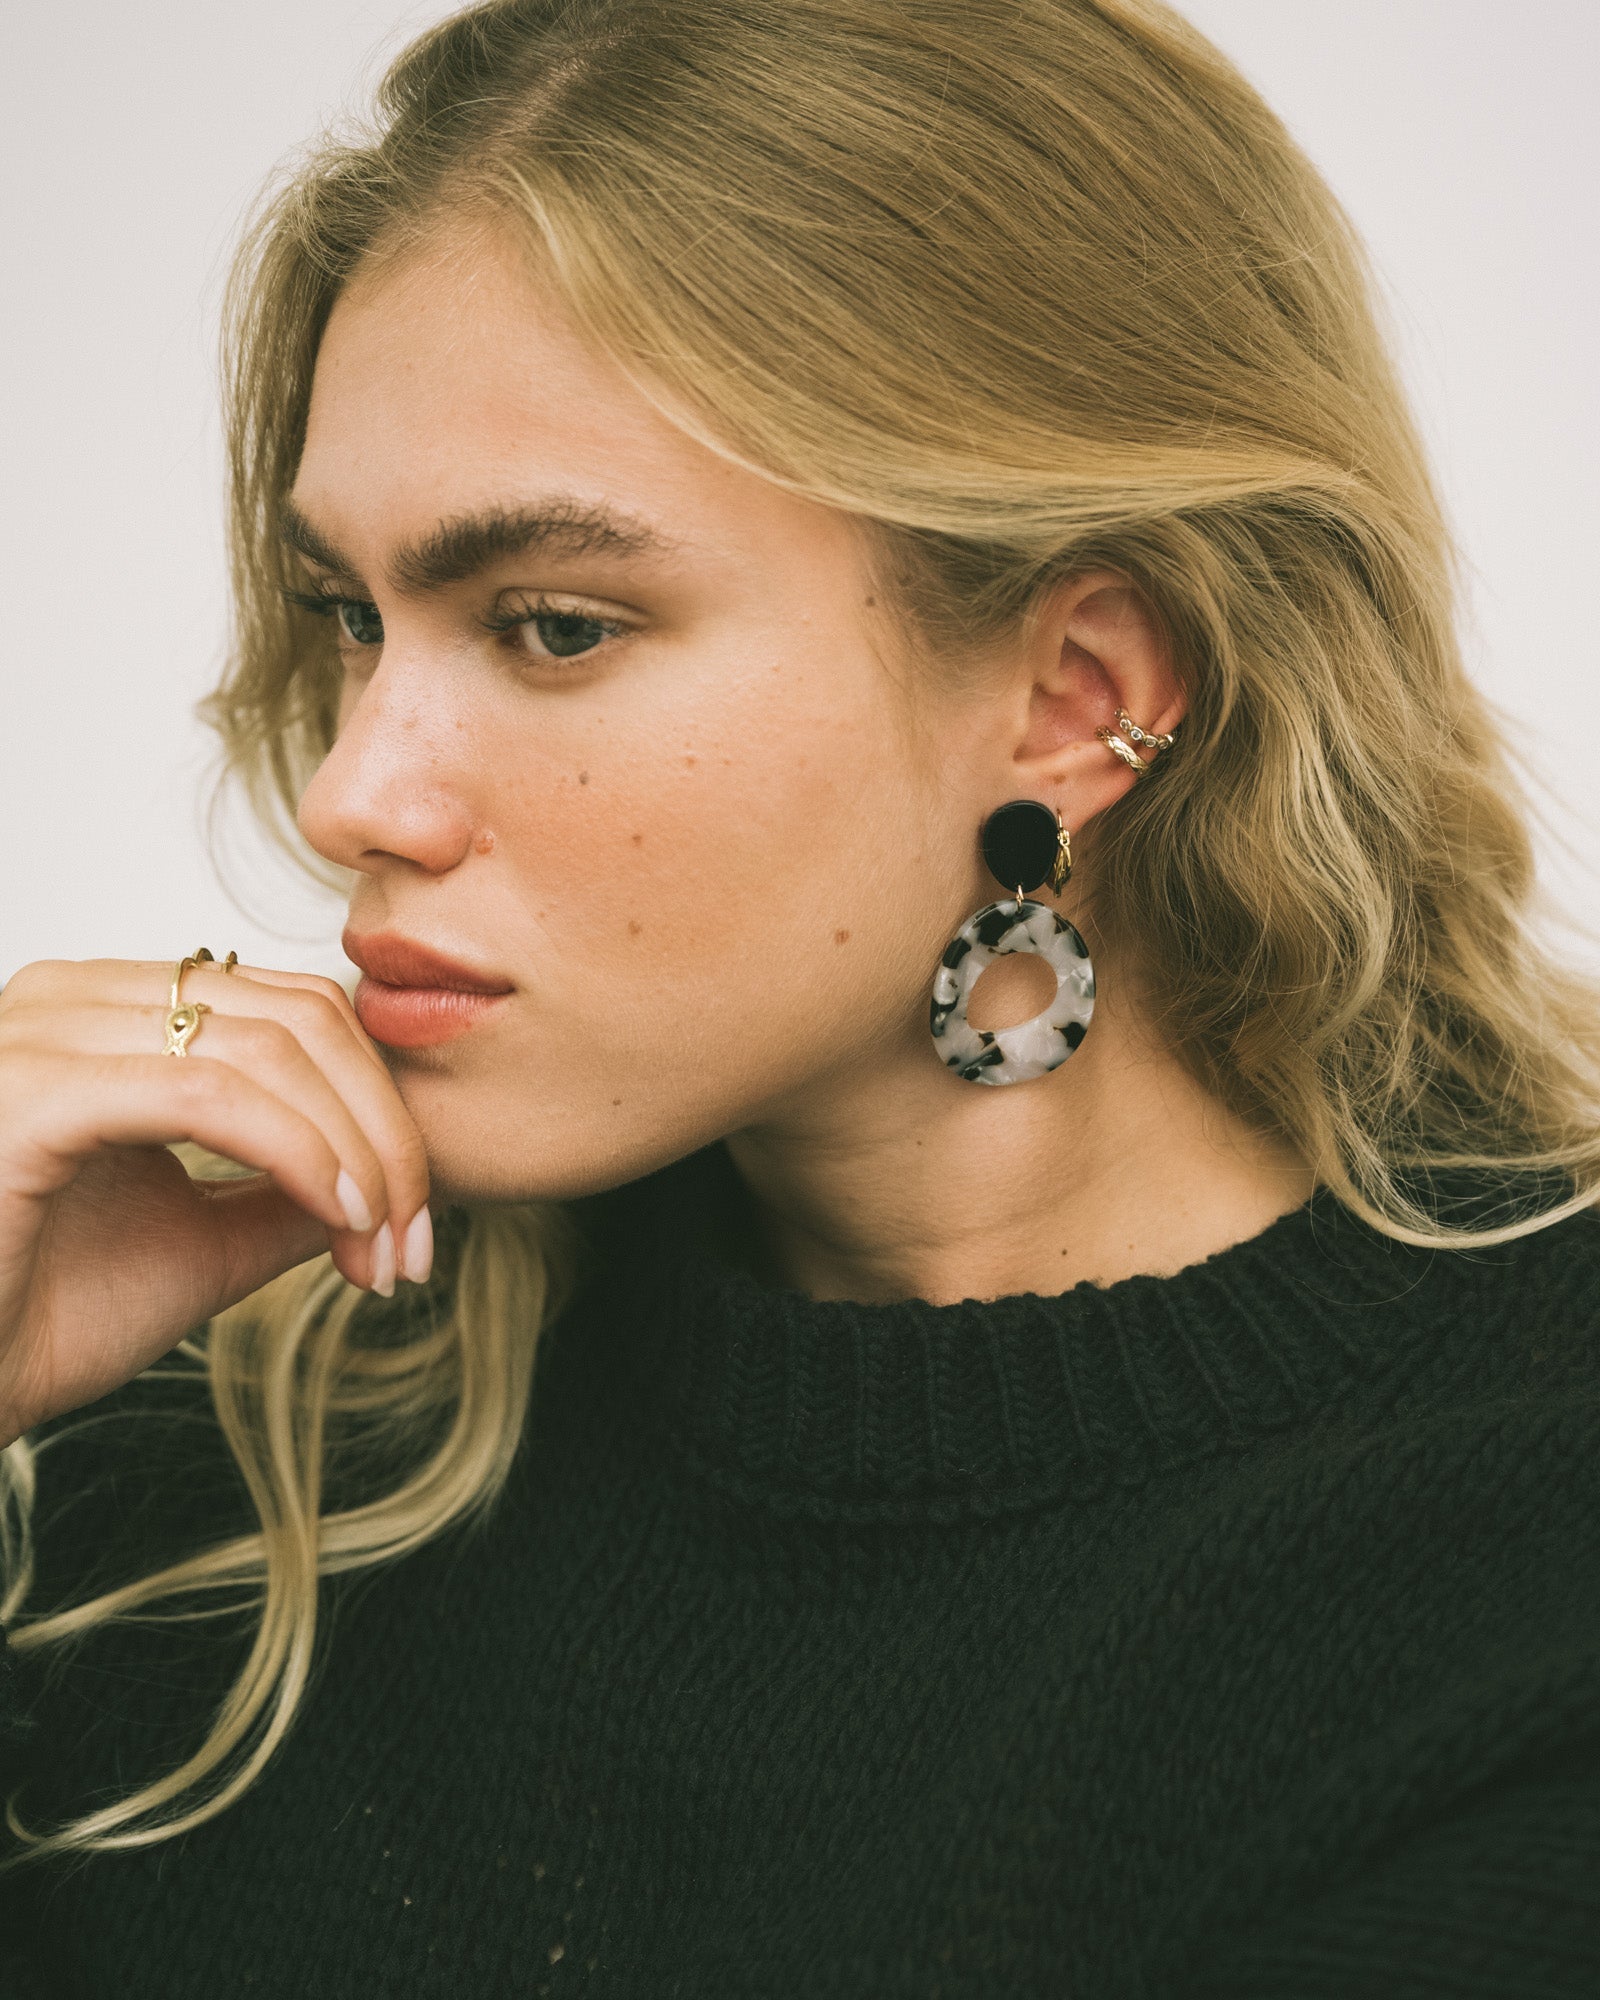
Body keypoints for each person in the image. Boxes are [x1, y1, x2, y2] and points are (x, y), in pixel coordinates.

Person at [2, 0, 1598, 1993]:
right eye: (351, 614)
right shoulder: (211, 1474)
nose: (354, 792)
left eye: (552, 625)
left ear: (1074, 701)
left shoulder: (1527, 1571)